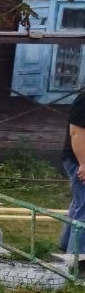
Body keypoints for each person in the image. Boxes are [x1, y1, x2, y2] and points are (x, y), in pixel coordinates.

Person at [61, 92, 85, 254]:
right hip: (78, 160)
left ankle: (65, 246)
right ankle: (78, 259)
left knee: (79, 202)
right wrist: (84, 163)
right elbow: (76, 133)